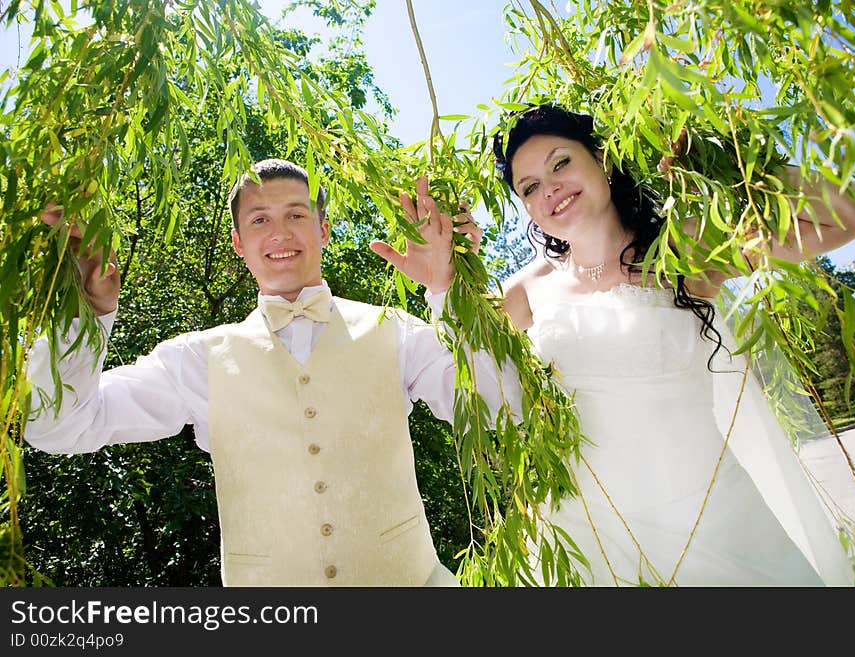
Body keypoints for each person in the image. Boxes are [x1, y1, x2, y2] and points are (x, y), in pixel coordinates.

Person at [24, 157, 519, 587]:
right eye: (260, 220)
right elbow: (60, 424)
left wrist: (449, 289)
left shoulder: (397, 333)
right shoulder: (197, 360)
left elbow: (503, 408)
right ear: (239, 243)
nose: (279, 233)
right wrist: (81, 315)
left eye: (296, 215)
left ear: (323, 230)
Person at [491, 104, 855, 586]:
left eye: (561, 162)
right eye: (529, 187)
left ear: (603, 159)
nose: (548, 188)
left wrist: (735, 172)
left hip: (714, 529)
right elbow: (470, 380)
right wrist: (445, 285)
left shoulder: (684, 249)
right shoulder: (522, 293)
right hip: (588, 542)